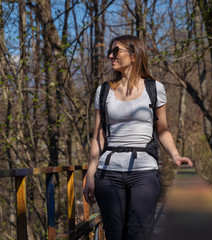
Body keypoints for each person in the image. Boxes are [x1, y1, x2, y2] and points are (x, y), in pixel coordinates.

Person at [83, 35, 193, 240]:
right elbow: (99, 135)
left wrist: (176, 156)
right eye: (110, 51)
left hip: (144, 172)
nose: (110, 55)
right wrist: (90, 174)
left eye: (116, 51)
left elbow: (162, 129)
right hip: (109, 173)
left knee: (138, 233)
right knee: (115, 235)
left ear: (133, 55)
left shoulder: (154, 88)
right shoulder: (104, 90)